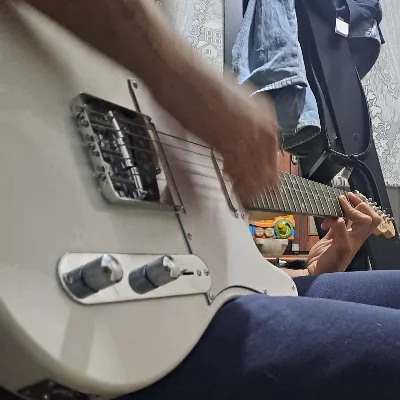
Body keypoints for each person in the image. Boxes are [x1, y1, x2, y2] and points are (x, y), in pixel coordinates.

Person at [19, 1, 400, 399]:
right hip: (113, 317)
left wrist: (310, 271)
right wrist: (185, 83)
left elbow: (209, 262)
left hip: (175, 290)